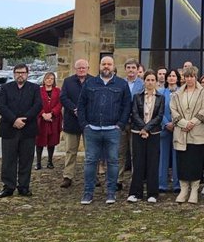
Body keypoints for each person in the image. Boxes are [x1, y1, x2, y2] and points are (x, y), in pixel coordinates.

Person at [77, 56, 132, 205]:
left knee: (113, 162)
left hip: (112, 130)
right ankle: (88, 193)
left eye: (109, 64)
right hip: (92, 129)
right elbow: (81, 105)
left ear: (114, 66)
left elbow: (127, 106)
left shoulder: (121, 84)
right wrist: (84, 125)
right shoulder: (90, 83)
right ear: (99, 66)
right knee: (90, 162)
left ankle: (111, 193)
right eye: (103, 64)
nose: (106, 66)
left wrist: (120, 125)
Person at [0, 64, 43, 198]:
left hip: (28, 129)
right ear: (14, 74)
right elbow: (1, 106)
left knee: (26, 159)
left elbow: (38, 105)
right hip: (9, 128)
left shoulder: (34, 88)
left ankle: (23, 186)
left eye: (23, 72)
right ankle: (8, 186)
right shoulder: (6, 88)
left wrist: (25, 119)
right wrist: (14, 120)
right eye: (17, 72)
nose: (20, 75)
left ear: (27, 74)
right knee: (8, 160)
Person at [171, 65, 204, 204]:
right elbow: (173, 110)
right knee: (182, 162)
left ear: (196, 77)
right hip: (181, 133)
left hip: (197, 132)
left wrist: (192, 123)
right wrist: (183, 123)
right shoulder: (177, 93)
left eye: (191, 76)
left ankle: (194, 190)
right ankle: (184, 189)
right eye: (187, 76)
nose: (189, 79)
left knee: (195, 162)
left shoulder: (203, 92)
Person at [127, 70, 165, 203]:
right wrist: (142, 128)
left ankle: (152, 193)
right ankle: (135, 193)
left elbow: (159, 116)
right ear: (144, 81)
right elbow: (134, 113)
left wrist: (147, 129)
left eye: (152, 80)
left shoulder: (161, 97)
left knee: (152, 163)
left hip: (153, 133)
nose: (150, 82)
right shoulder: (137, 96)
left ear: (156, 82)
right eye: (147, 80)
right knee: (138, 163)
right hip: (138, 133)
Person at [59, 59, 90, 188]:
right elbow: (63, 97)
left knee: (90, 151)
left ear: (88, 68)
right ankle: (68, 176)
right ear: (75, 69)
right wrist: (74, 109)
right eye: (79, 68)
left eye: (83, 68)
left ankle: (91, 176)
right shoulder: (68, 81)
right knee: (70, 151)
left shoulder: (94, 81)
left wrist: (84, 110)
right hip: (72, 120)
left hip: (88, 121)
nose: (81, 70)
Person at [118, 58, 144, 191]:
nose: (131, 70)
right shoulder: (119, 83)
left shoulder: (143, 84)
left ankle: (135, 179)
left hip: (136, 123)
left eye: (133, 67)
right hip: (122, 123)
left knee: (135, 153)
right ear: (125, 69)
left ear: (137, 69)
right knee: (120, 152)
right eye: (128, 67)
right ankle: (119, 179)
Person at [159, 68, 181, 194]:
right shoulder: (161, 92)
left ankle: (177, 184)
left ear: (177, 78)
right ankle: (161, 184)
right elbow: (158, 110)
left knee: (176, 157)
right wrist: (166, 122)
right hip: (165, 127)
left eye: (174, 76)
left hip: (178, 128)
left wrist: (176, 123)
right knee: (163, 157)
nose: (172, 78)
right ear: (166, 78)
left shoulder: (182, 92)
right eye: (169, 76)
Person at [35, 72, 62, 170]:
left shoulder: (58, 91)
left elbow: (60, 104)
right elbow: (36, 103)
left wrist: (52, 113)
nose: (49, 80)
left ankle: (50, 161)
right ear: (44, 80)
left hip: (53, 119)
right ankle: (38, 162)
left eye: (51, 78)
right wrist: (43, 114)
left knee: (52, 141)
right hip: (41, 120)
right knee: (39, 141)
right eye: (47, 78)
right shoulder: (39, 91)